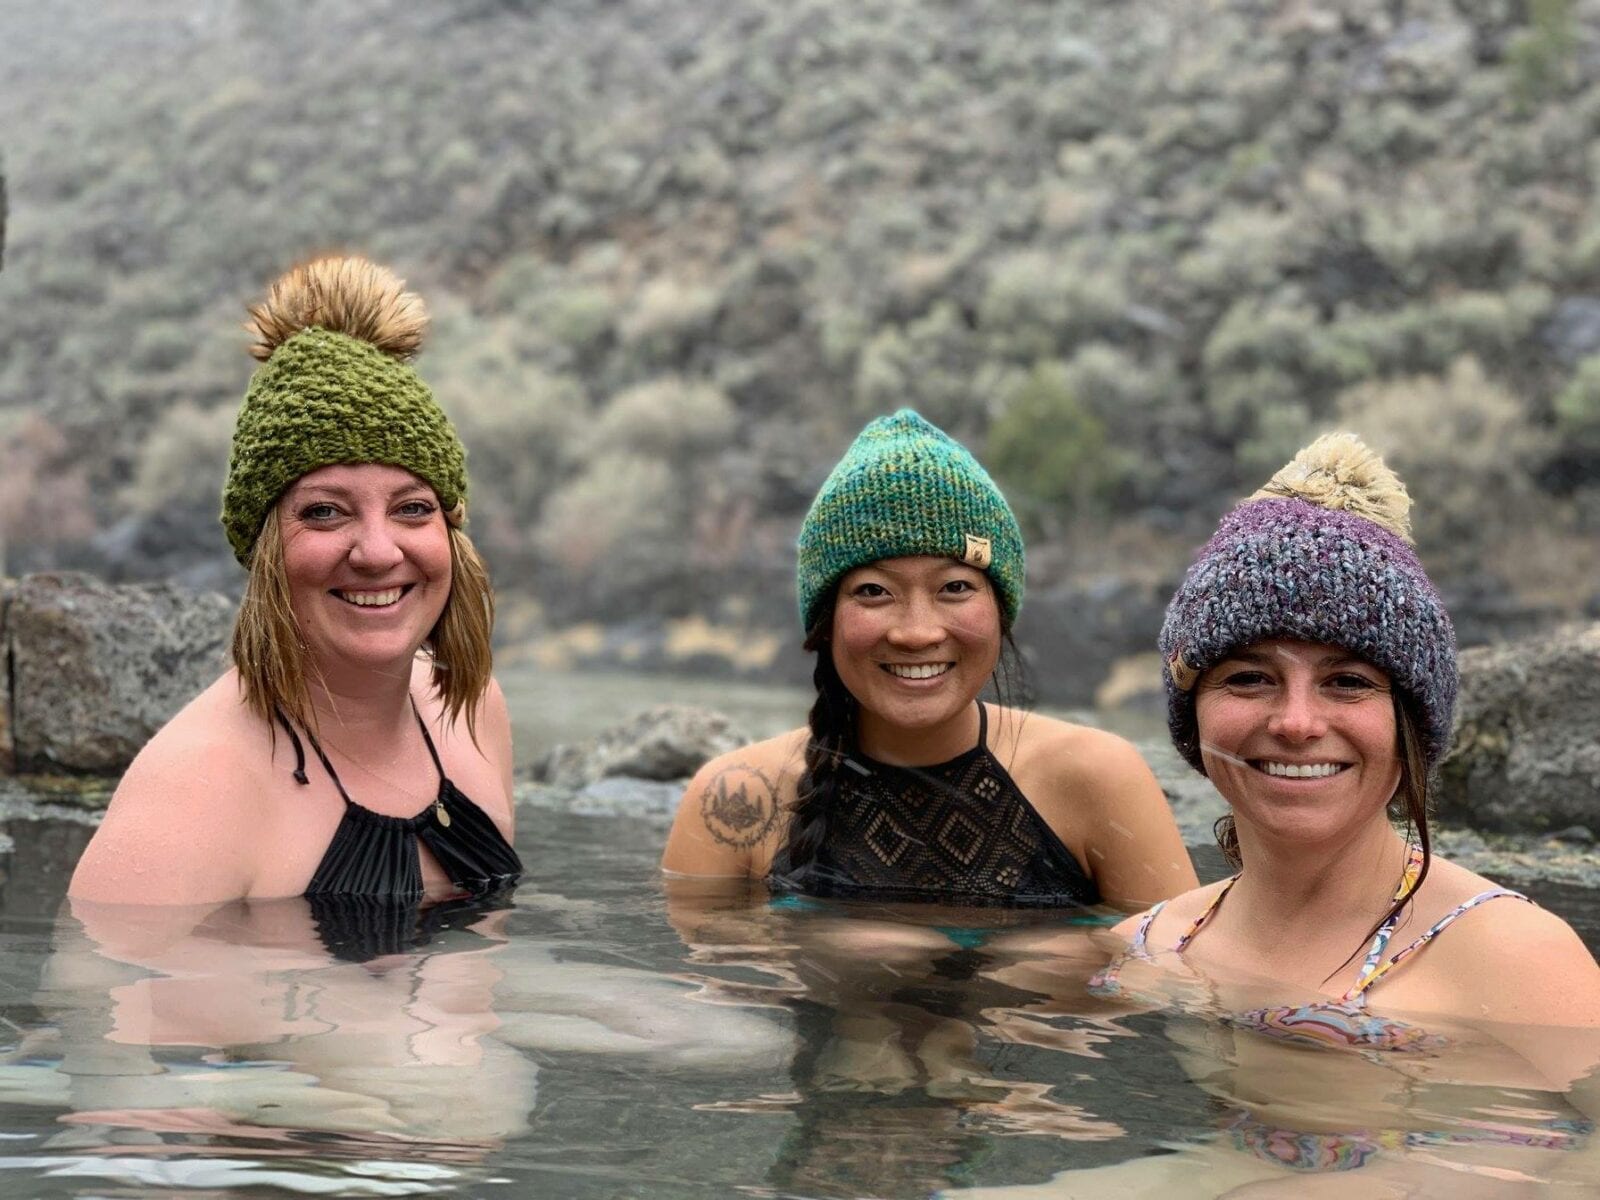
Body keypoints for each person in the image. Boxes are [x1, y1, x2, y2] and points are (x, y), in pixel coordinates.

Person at [1091, 432, 1600, 1079]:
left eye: (1348, 682)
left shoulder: (1519, 964)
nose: (1297, 723)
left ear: (1409, 723)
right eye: (1249, 678)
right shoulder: (1147, 947)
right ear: (1192, 716)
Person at [70, 256, 520, 908]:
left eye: (412, 507)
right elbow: (96, 1002)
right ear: (265, 548)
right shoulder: (194, 793)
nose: (375, 550)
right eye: (324, 512)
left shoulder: (471, 710)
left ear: (450, 533)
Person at [661, 408, 1196, 910]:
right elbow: (705, 1001)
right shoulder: (734, 800)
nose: (917, 632)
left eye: (955, 587)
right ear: (825, 622)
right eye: (873, 591)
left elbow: (1180, 980)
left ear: (1001, 612)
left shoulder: (1098, 778)